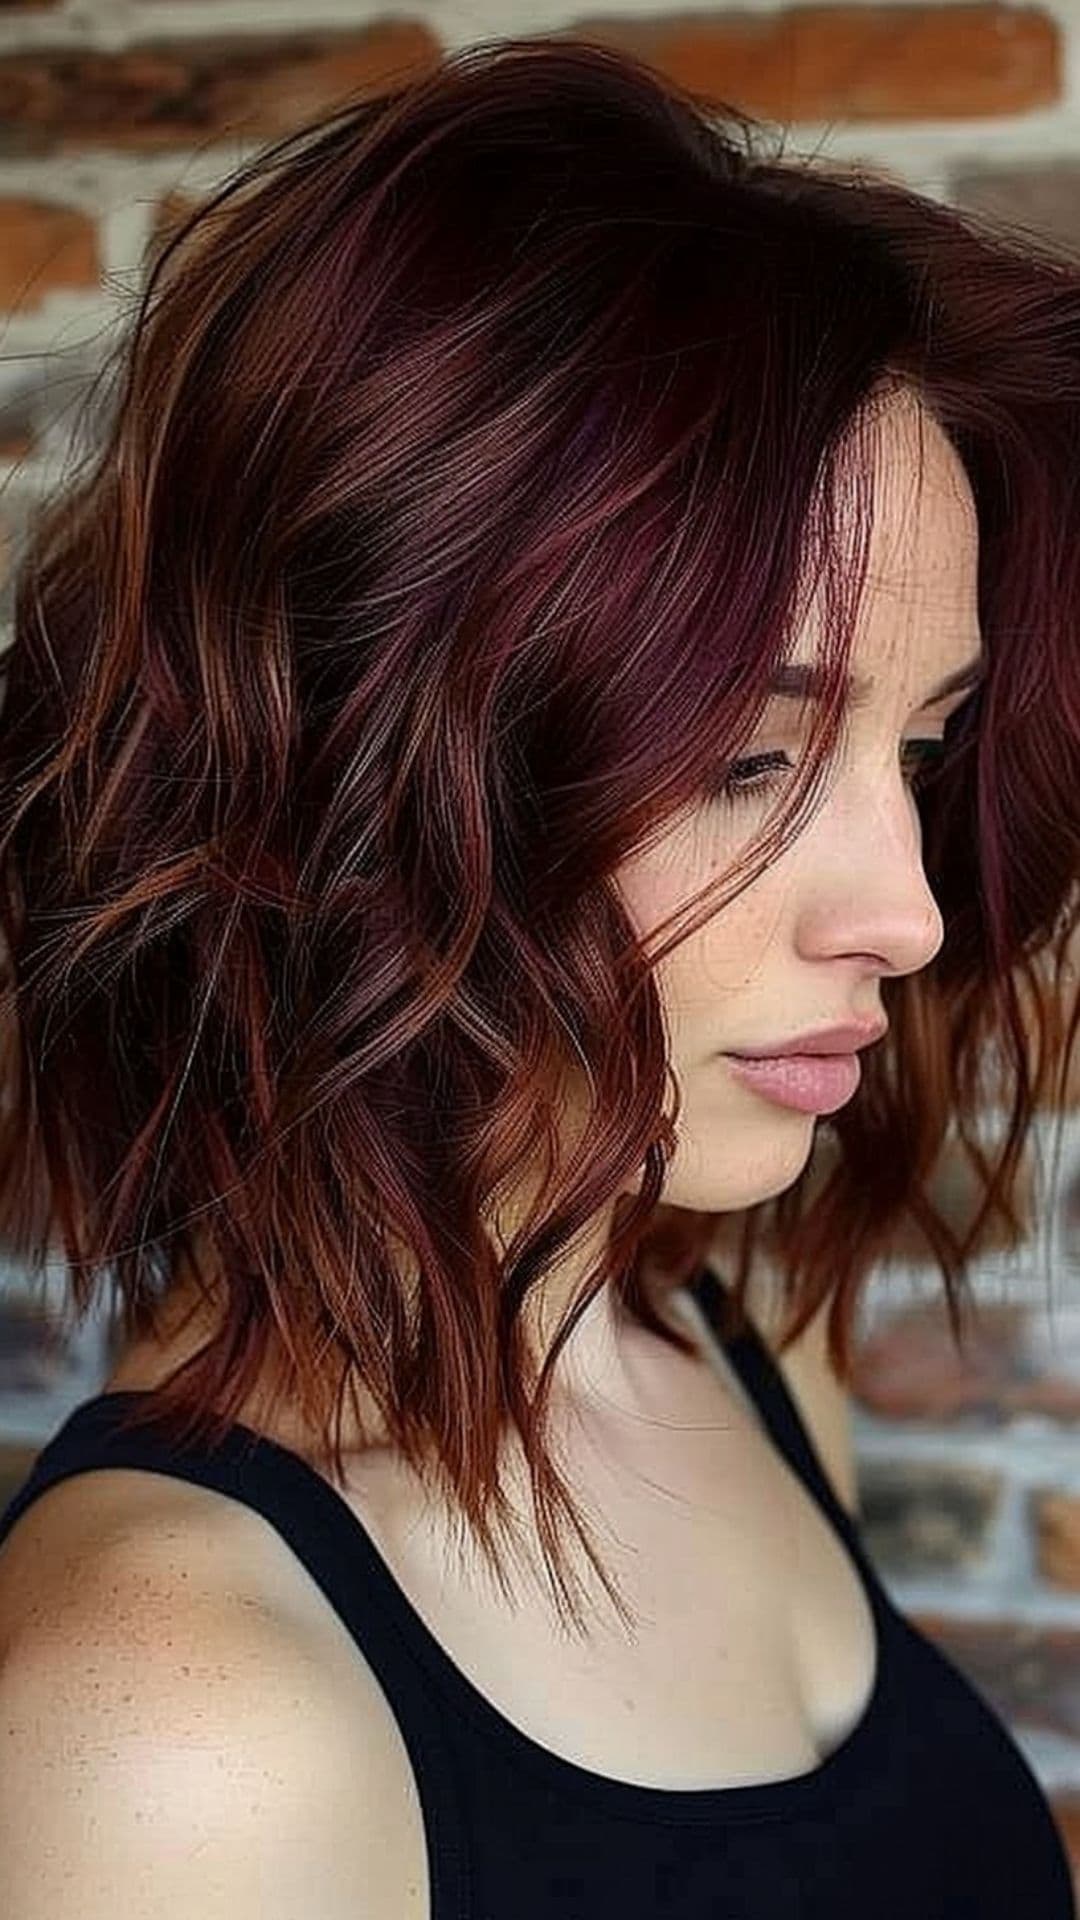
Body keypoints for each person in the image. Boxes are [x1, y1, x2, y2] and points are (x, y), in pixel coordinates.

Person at [0, 35, 1077, 1920]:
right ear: (368, 766)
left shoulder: (737, 1349)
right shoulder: (168, 1743)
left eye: (916, 753)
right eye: (748, 756)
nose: (905, 914)